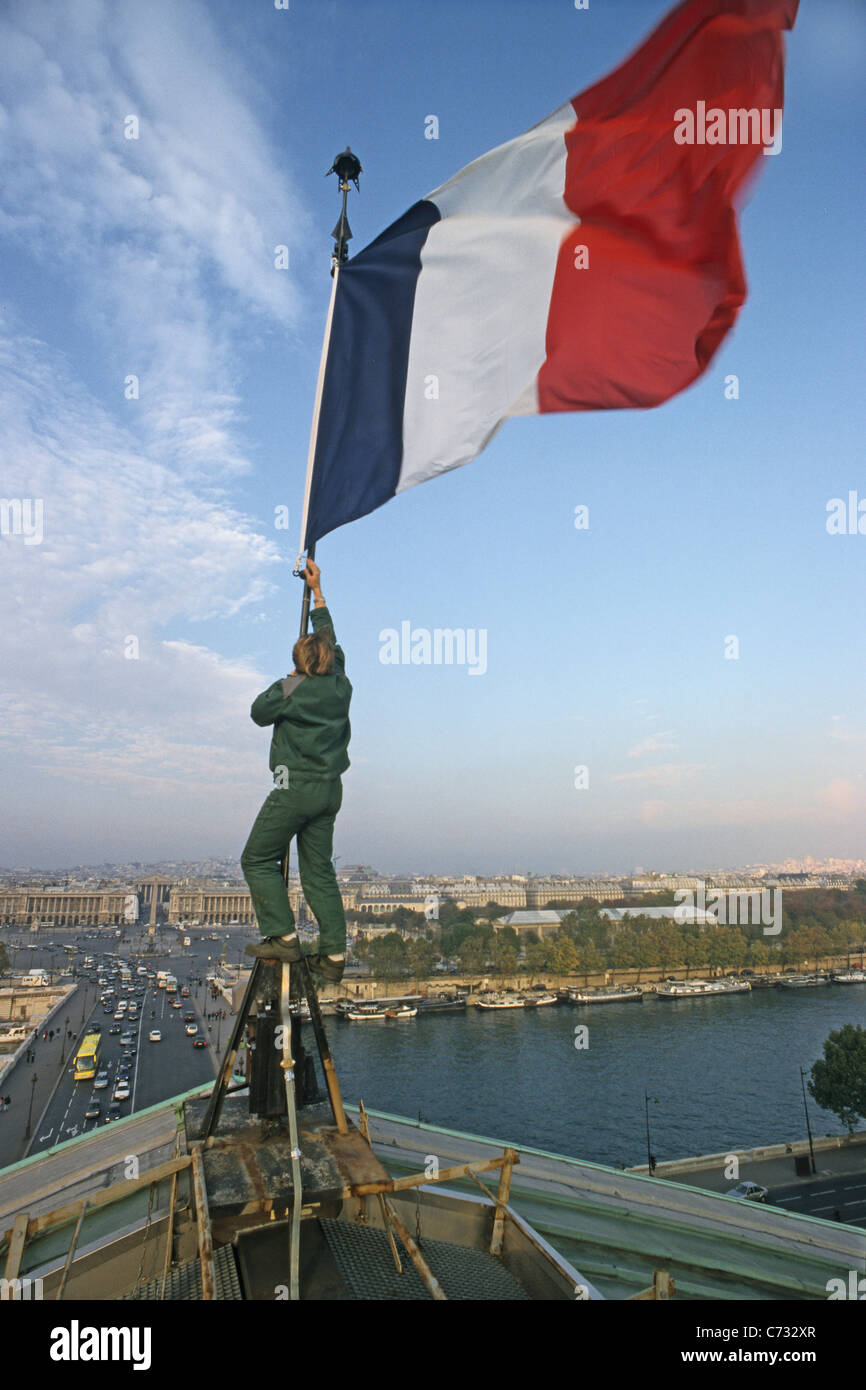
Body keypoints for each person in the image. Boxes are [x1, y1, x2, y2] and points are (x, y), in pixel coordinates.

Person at [242, 560, 351, 985]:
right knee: (319, 871)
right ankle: (334, 954)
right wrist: (318, 593)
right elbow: (331, 643)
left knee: (256, 858)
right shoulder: (340, 684)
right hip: (330, 791)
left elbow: (258, 712)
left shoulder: (293, 689)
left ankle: (284, 936)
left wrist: (288, 679)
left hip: (293, 787)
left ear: (300, 663)